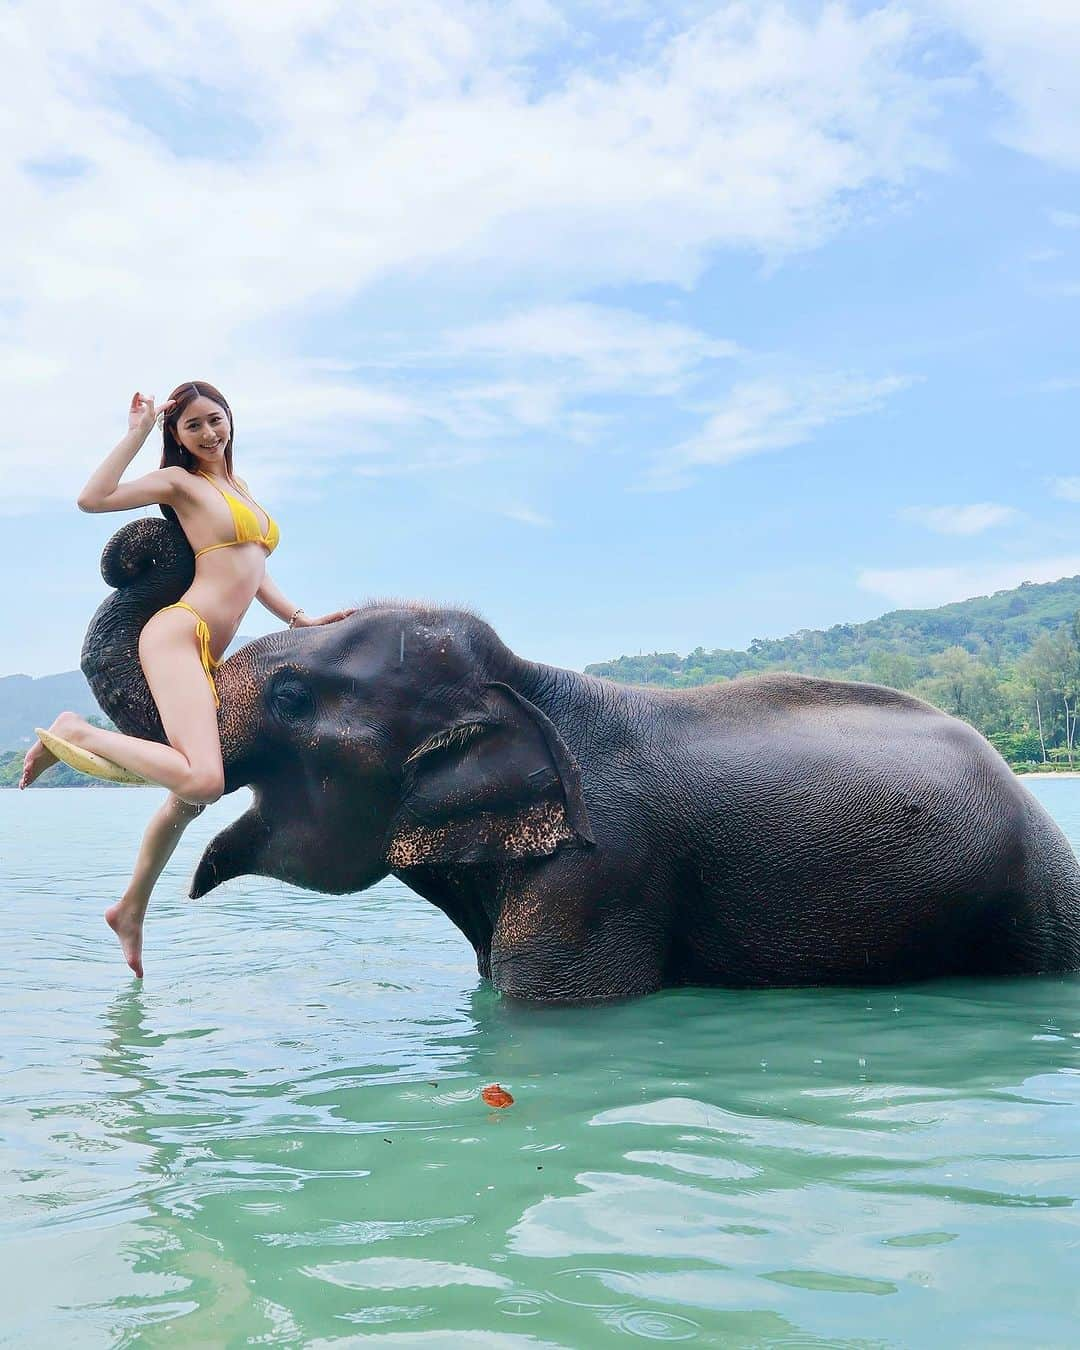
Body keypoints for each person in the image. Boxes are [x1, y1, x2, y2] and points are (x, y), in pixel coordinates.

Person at [20, 382, 356, 977]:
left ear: (231, 420)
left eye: (215, 420)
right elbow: (91, 499)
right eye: (192, 426)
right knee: (203, 779)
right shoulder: (182, 485)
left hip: (212, 654)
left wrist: (301, 619)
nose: (208, 434)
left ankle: (129, 909)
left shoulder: (238, 489)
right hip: (181, 634)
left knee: (188, 801)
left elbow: (252, 568)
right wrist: (136, 433)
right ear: (176, 437)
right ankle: (76, 732)